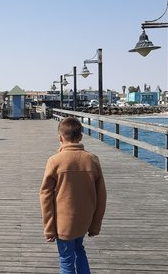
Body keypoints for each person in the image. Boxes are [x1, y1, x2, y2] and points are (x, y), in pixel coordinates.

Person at [39, 117, 106, 274]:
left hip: (63, 223)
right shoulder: (92, 160)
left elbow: (45, 196)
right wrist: (96, 225)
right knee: (79, 250)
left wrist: (49, 228)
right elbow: (101, 195)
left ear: (60, 137)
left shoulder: (54, 161)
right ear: (81, 137)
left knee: (66, 258)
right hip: (84, 220)